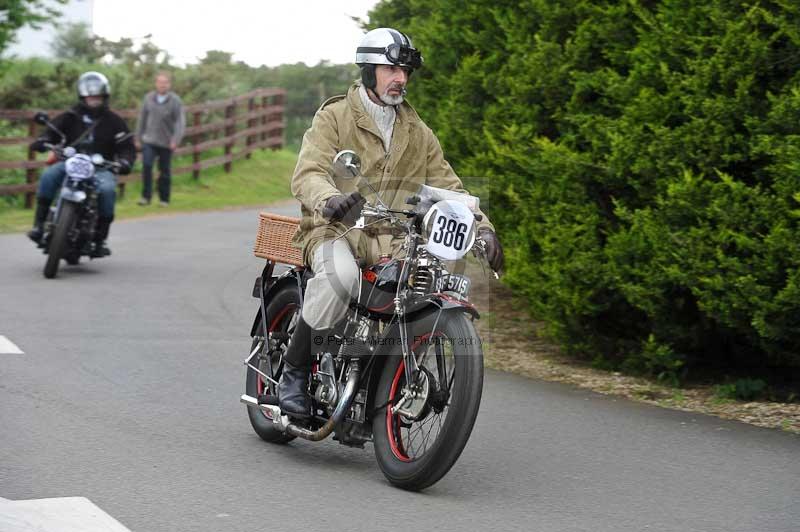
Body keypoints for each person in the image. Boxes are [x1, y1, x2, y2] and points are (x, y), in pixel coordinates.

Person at [279, 27, 505, 418]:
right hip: (336, 230)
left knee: (422, 286)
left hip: (393, 241)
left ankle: (378, 376)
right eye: (390, 68)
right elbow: (308, 173)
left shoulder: (418, 133)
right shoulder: (334, 116)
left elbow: (451, 188)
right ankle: (294, 371)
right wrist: (330, 199)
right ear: (368, 70)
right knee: (343, 279)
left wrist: (483, 227)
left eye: (405, 70)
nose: (400, 78)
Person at [28, 71, 135, 256]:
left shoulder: (115, 121)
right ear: (82, 97)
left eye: (97, 97)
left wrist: (125, 161)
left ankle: (100, 238)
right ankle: (38, 225)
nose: (93, 100)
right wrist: (43, 141)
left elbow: (126, 146)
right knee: (48, 176)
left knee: (108, 190)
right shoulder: (69, 116)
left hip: (100, 167)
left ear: (104, 97)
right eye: (90, 97)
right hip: (70, 163)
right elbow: (51, 132)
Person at [135, 71, 185, 207]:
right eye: (160, 82)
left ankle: (164, 199)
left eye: (165, 83)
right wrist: (137, 138)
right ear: (156, 84)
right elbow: (142, 119)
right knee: (147, 166)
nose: (162, 85)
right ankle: (146, 197)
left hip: (166, 142)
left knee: (165, 171)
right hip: (149, 140)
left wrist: (175, 139)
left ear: (169, 85)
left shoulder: (175, 101)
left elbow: (179, 122)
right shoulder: (148, 98)